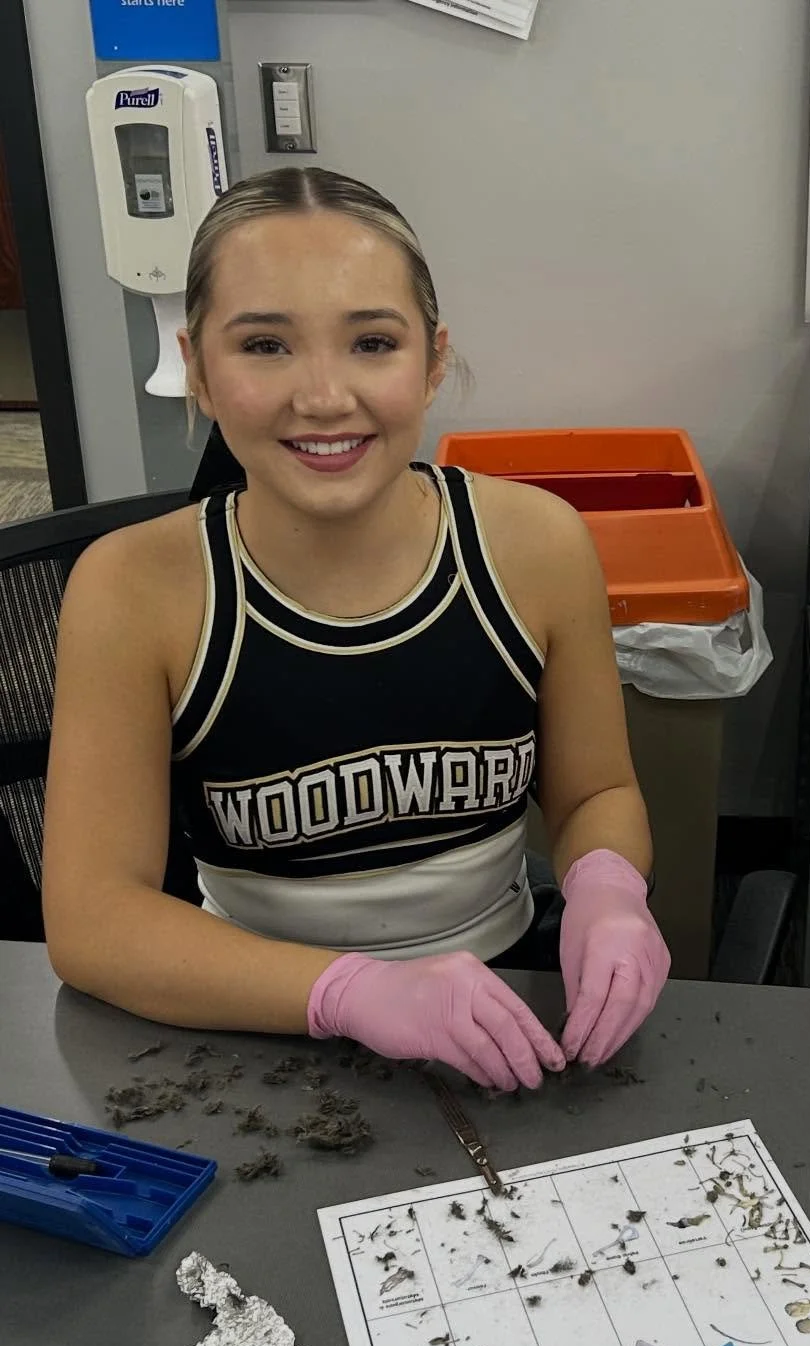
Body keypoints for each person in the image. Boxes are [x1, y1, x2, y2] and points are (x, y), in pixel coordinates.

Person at [43, 167, 669, 1089]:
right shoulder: (134, 589)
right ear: (201, 370)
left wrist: (609, 888)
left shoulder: (536, 545)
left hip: (507, 1009)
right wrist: (348, 991)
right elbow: (94, 919)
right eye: (265, 345)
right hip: (247, 1018)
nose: (325, 396)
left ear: (433, 357)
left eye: (372, 341)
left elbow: (594, 791)